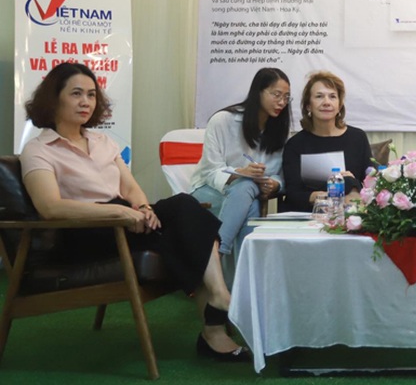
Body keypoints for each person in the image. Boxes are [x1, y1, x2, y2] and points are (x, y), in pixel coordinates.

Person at [19, 63, 250, 361]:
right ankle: (215, 326)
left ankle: (219, 300)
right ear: (54, 98)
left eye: (91, 94)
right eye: (76, 94)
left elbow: (129, 188)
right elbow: (50, 207)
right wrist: (120, 214)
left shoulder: (102, 141)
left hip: (122, 219)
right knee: (186, 233)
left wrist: (142, 208)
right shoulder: (38, 149)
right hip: (83, 230)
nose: (86, 102)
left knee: (184, 205)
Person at [190, 67, 290, 256]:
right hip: (207, 190)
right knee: (247, 190)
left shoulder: (279, 130)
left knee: (247, 194)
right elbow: (210, 171)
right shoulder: (222, 121)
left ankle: (218, 258)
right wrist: (240, 173)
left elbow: (281, 175)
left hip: (249, 195)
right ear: (258, 92)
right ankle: (222, 254)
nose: (282, 102)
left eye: (286, 97)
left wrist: (274, 184)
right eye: (276, 95)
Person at [281, 71, 372, 212]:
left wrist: (353, 184)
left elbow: (371, 184)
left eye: (332, 96)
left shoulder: (358, 138)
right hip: (308, 214)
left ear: (339, 105)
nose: (326, 102)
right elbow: (293, 193)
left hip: (349, 213)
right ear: (308, 105)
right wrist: (325, 196)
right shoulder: (295, 144)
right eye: (319, 96)